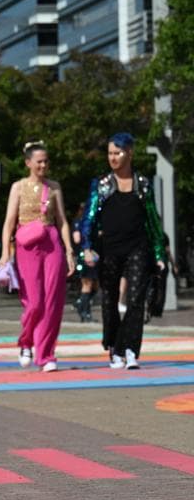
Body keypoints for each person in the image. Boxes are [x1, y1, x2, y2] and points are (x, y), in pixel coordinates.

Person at [80, 132, 166, 370]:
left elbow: (153, 220)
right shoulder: (101, 185)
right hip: (109, 250)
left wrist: (159, 253)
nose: (113, 158)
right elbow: (88, 219)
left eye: (117, 153)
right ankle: (113, 347)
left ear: (130, 153)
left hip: (138, 248)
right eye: (110, 153)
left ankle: (129, 350)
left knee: (136, 299)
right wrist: (86, 247)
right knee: (109, 301)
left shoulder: (143, 184)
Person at [0, 142, 74, 372]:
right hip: (27, 244)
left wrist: (69, 251)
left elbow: (62, 221)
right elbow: (9, 223)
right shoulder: (18, 187)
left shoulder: (54, 187)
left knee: (53, 301)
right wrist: (5, 253)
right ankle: (26, 341)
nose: (43, 165)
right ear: (28, 163)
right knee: (34, 302)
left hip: (51, 242)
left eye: (46, 161)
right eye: (39, 161)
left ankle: (46, 355)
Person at [71, 203, 97, 322]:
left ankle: (81, 304)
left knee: (94, 285)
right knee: (87, 284)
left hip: (92, 255)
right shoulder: (80, 222)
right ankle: (84, 311)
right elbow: (76, 239)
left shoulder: (90, 222)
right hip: (85, 255)